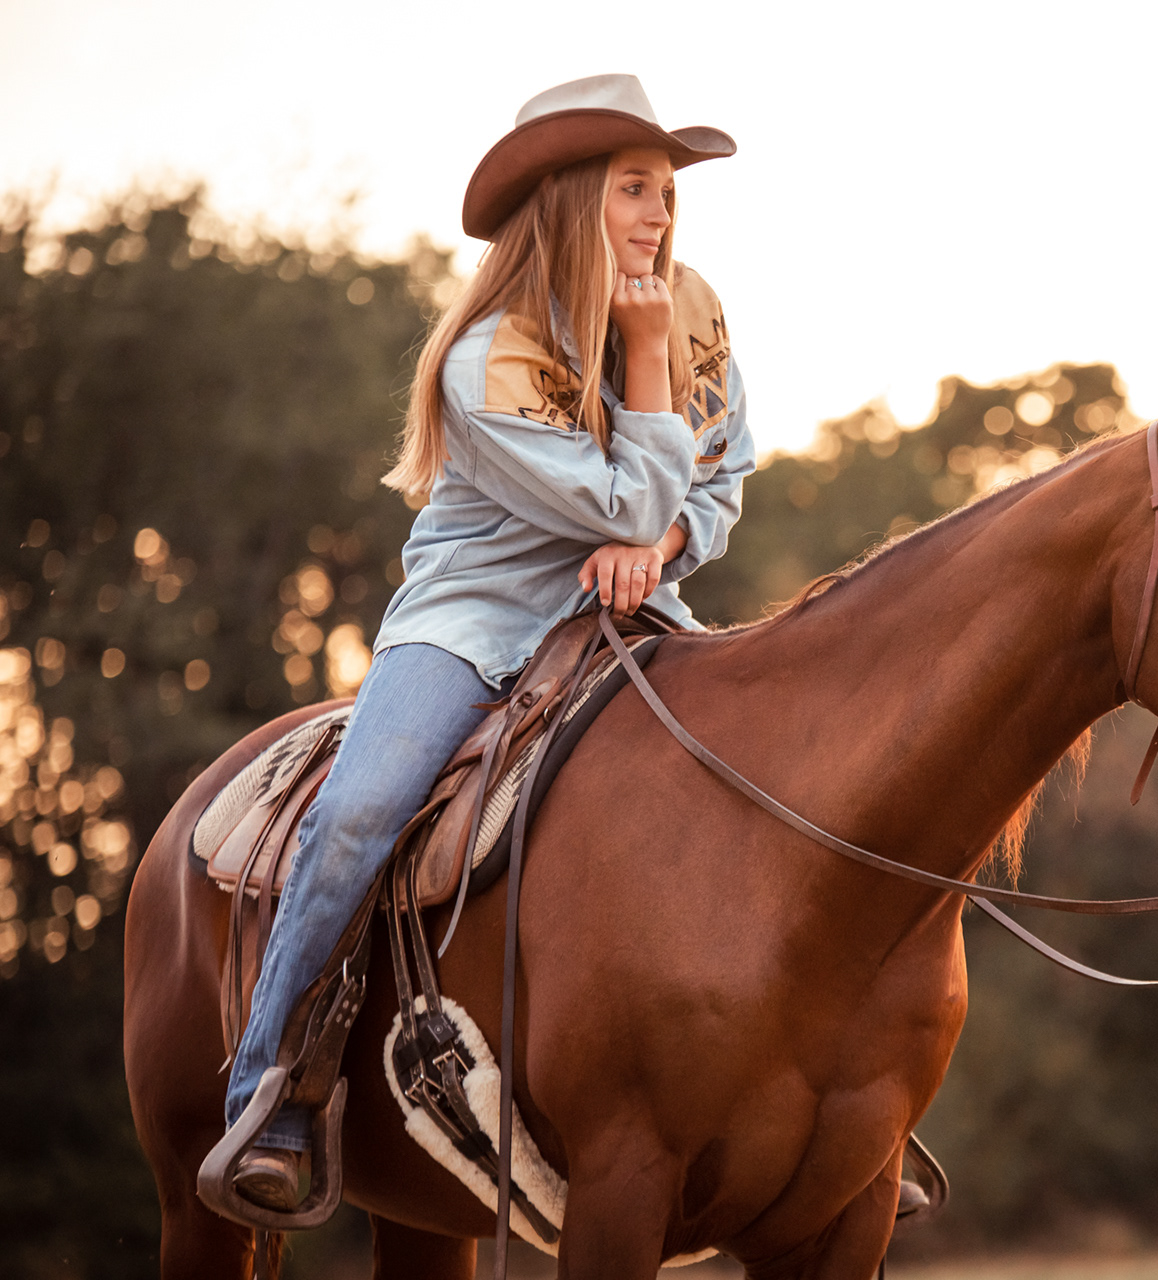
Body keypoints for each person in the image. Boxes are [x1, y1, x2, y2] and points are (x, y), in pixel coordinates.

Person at [217, 73, 751, 1210]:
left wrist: (661, 553)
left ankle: (818, 1097)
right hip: (476, 622)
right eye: (634, 189)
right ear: (567, 199)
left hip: (627, 605)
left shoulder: (695, 309)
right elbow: (618, 502)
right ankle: (272, 1088)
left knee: (766, 766)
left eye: (666, 191)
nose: (660, 215)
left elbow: (719, 478)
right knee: (361, 807)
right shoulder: (489, 353)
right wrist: (643, 381)